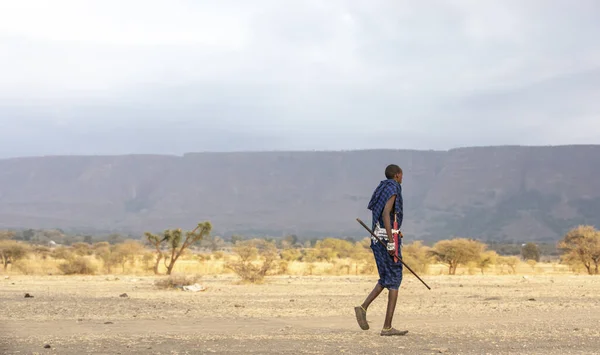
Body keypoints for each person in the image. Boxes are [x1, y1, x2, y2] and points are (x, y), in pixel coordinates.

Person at [354, 164, 408, 336]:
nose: (402, 178)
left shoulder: (382, 187)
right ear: (398, 175)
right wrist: (392, 242)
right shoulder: (393, 187)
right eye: (402, 175)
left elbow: (386, 216)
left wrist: (395, 231)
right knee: (395, 279)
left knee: (386, 278)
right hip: (386, 241)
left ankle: (363, 307)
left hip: (378, 239)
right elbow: (386, 213)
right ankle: (387, 327)